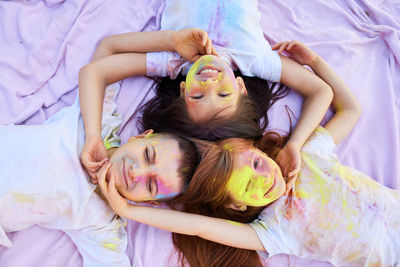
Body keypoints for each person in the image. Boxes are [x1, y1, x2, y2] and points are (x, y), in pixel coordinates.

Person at [96, 41, 399, 267]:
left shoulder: (306, 158)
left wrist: (316, 62)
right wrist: (128, 211)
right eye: (248, 186)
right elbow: (200, 228)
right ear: (237, 206)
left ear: (260, 151)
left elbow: (351, 109)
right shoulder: (275, 230)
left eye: (256, 163)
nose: (265, 176)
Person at [78, 0, 334, 185]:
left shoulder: (175, 61)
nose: (210, 84)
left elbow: (97, 66)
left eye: (197, 96)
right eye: (224, 95)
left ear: (182, 89)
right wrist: (295, 145)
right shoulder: (255, 61)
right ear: (241, 88)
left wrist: (170, 40)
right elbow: (321, 91)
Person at [0, 82, 200, 267]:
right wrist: (167, 60)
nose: (136, 172)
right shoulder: (98, 124)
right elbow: (103, 71)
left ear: (150, 203)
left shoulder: (102, 222)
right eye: (147, 155)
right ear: (140, 137)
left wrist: (127, 210)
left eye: (150, 185)